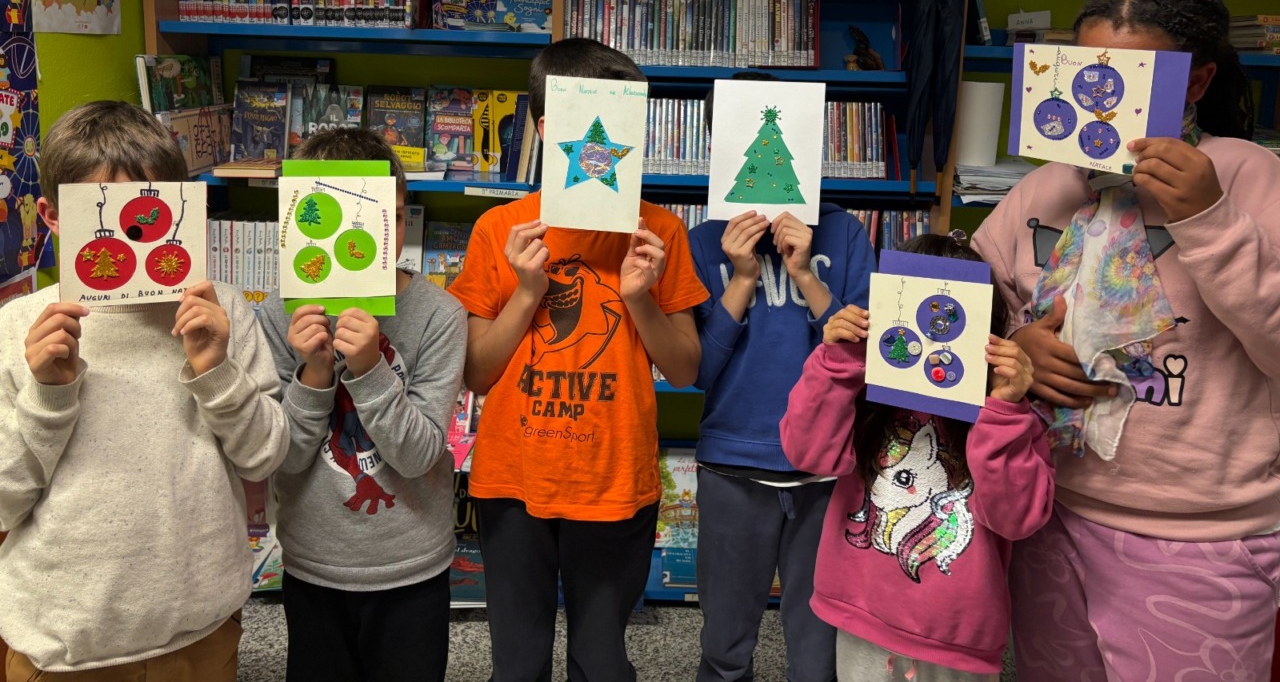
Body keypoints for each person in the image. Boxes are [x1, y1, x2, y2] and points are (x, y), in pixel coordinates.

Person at [972, 0, 1280, 678]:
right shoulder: (1045, 186)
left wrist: (1209, 219)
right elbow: (973, 311)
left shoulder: (1250, 177)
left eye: (1138, 82)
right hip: (1050, 515)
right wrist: (1017, 347)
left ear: (1195, 84)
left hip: (1202, 538)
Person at [447, 38, 709, 682]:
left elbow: (684, 369)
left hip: (614, 481)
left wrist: (639, 298)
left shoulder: (660, 231)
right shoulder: (500, 231)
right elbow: (476, 372)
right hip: (514, 481)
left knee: (601, 658)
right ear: (546, 128)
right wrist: (527, 292)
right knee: (517, 659)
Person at [0, 100, 288, 681]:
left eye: (153, 210)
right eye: (104, 213)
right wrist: (48, 398)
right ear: (53, 217)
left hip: (200, 627)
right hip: (66, 641)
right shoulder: (17, 329)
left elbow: (265, 455)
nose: (133, 234)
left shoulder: (223, 311)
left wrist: (215, 370)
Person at [780, 233, 1054, 682]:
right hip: (864, 619)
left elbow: (1017, 519)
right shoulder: (866, 399)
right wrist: (836, 362)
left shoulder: (1006, 417)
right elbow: (808, 454)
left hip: (956, 639)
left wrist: (1004, 410)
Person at [258, 128, 467, 682]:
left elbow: (421, 453)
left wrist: (372, 368)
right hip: (314, 563)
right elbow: (287, 456)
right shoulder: (279, 313)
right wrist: (317, 371)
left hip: (412, 565)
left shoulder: (438, 314)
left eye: (394, 216)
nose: (384, 234)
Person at [689, 73, 875, 682]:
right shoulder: (702, 243)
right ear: (717, 147)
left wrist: (807, 277)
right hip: (733, 462)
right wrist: (741, 278)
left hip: (825, 468)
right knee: (724, 640)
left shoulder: (844, 234)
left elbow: (865, 360)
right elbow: (698, 372)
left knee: (818, 647)